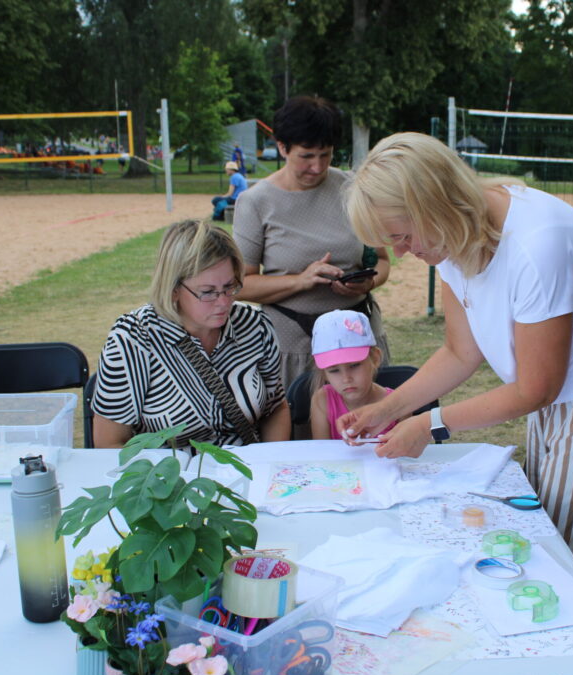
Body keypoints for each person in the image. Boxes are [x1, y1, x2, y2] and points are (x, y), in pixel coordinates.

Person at [341, 131, 573, 588]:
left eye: (402, 236)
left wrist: (430, 424)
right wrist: (387, 409)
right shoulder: (452, 238)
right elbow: (460, 352)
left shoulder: (536, 241)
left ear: (435, 204)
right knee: (552, 537)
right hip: (556, 405)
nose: (401, 253)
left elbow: (538, 386)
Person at [233, 95, 391, 393]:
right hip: (293, 349)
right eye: (306, 156)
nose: (317, 167)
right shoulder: (255, 202)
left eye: (326, 155)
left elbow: (381, 261)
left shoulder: (352, 188)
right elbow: (240, 285)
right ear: (282, 147)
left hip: (358, 345)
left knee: (371, 431)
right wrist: (300, 281)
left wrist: (366, 284)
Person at [91, 219, 290, 449]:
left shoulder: (254, 325)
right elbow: (109, 443)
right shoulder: (133, 340)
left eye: (230, 287)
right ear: (173, 289)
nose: (224, 302)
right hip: (168, 480)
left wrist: (270, 460)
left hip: (247, 472)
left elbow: (275, 408)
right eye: (208, 292)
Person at [308, 309, 402, 440]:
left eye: (354, 365)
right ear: (323, 373)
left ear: (375, 358)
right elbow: (322, 452)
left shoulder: (399, 403)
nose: (346, 378)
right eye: (334, 370)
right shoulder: (322, 400)